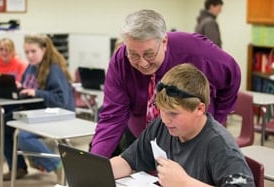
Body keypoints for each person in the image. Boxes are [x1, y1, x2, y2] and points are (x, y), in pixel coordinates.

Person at [90, 9, 241, 158]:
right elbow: (112, 117)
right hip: (141, 138)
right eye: (134, 55)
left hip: (190, 141)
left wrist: (216, 119)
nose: (142, 63)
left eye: (149, 54)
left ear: (164, 42)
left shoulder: (197, 52)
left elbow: (232, 74)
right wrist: (94, 163)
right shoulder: (121, 60)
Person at [110, 63, 254, 187]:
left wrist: (185, 183)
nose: (165, 119)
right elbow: (128, 162)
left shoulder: (220, 146)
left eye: (173, 113)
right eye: (161, 110)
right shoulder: (161, 127)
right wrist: (96, 173)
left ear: (199, 109)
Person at [0, 33, 74, 182]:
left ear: (44, 49)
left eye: (33, 51)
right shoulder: (31, 68)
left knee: (24, 136)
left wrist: (36, 92)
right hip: (35, 111)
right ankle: (17, 167)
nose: (30, 56)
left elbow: (61, 100)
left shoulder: (54, 69)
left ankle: (58, 166)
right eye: (27, 52)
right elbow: (29, 89)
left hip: (55, 113)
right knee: (0, 123)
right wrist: (19, 88)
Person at [0, 38, 28, 150]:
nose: (4, 52)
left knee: (2, 120)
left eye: (7, 50)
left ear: (12, 51)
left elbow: (23, 85)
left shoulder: (20, 64)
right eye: (1, 49)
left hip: (14, 103)